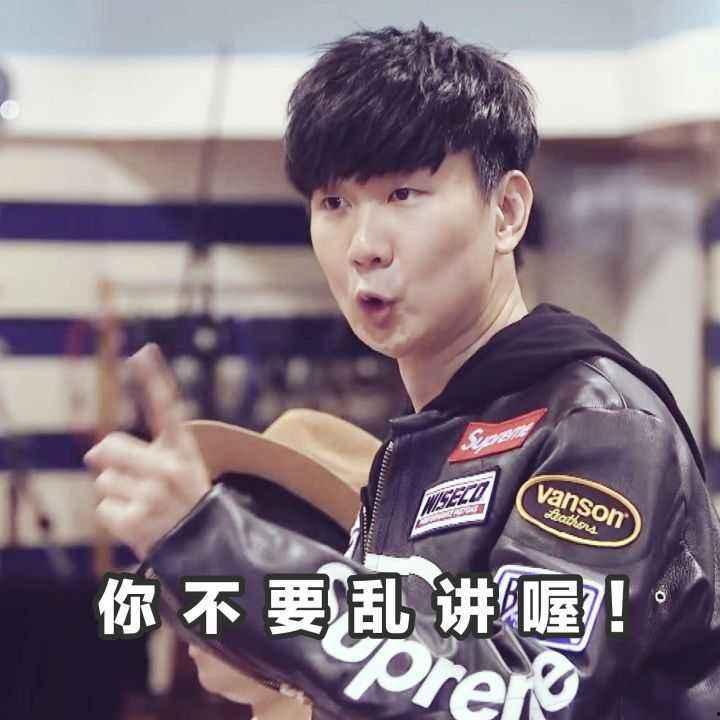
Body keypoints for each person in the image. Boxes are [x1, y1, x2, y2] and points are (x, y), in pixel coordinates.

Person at [85, 22, 720, 719]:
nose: (363, 246)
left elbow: (521, 694)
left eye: (403, 195)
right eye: (333, 203)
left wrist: (220, 548)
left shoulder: (599, 427)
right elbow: (406, 671)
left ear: (506, 212)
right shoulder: (428, 439)